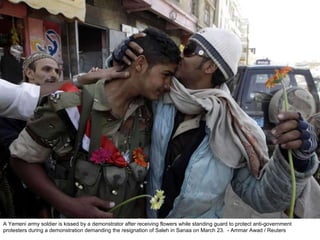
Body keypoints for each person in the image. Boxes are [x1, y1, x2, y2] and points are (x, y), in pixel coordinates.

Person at [110, 27, 320, 218]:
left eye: (190, 49)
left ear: (210, 66)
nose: (181, 53)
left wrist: (296, 159)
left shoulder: (235, 126)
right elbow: (114, 98)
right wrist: (119, 60)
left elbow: (262, 197)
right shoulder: (159, 96)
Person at [9, 27, 181, 218]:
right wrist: (67, 205)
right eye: (166, 74)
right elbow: (21, 160)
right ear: (139, 64)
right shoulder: (71, 105)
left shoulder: (150, 111)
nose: (168, 86)